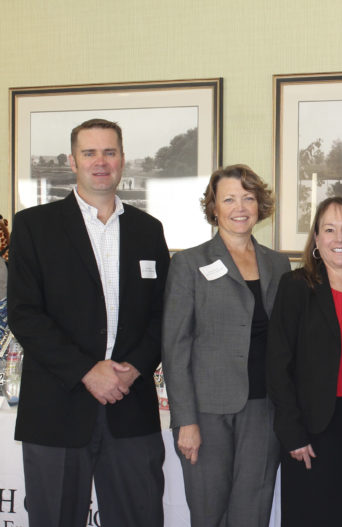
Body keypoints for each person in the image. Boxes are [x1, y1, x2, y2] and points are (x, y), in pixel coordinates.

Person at [7, 118, 170, 526]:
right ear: (72, 161)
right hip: (56, 410)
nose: (101, 162)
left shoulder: (148, 230)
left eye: (109, 152)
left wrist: (134, 368)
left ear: (122, 159)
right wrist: (86, 371)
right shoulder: (34, 226)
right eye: (90, 153)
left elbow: (163, 314)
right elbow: (25, 314)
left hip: (131, 408)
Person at [162, 164, 289, 526]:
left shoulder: (278, 264)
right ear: (214, 207)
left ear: (260, 204)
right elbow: (175, 347)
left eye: (248, 198)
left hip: (264, 411)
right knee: (209, 513)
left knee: (253, 511)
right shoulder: (189, 263)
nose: (240, 207)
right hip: (206, 413)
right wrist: (185, 421)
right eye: (229, 199)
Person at [267, 196, 342, 526]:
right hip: (312, 430)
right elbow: (278, 365)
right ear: (316, 239)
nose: (339, 238)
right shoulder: (296, 286)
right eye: (329, 230)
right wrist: (292, 433)